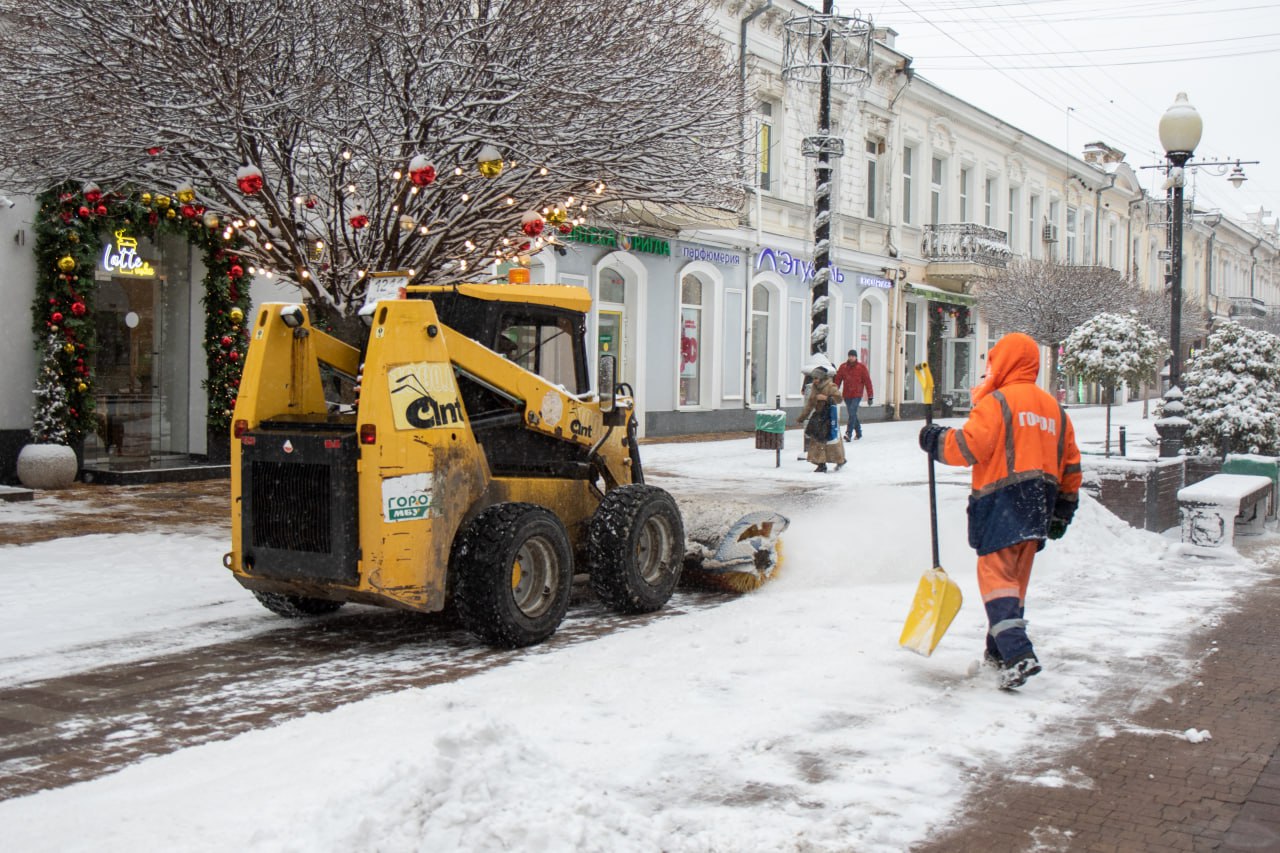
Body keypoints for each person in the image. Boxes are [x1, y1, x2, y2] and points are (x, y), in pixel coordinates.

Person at [917, 332, 1082, 690]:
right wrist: (1063, 510)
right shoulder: (1054, 408)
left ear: (1004, 362)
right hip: (1039, 505)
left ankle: (1019, 654)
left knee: (995, 580)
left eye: (992, 361)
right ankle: (999, 655)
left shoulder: (997, 402)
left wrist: (934, 440)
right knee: (1014, 584)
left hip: (1003, 501)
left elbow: (967, 448)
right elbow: (1071, 465)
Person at [797, 363, 847, 473]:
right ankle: (821, 464)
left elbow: (839, 399)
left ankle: (840, 460)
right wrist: (802, 417)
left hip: (829, 416)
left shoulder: (831, 386)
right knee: (816, 440)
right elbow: (810, 404)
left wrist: (826, 398)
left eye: (816, 378)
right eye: (813, 378)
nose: (814, 380)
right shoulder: (814, 388)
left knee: (831, 442)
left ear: (821, 378)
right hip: (819, 416)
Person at [834, 349, 873, 442]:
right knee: (853, 414)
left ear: (856, 357)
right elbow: (837, 380)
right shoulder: (843, 367)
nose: (851, 358)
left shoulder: (861, 368)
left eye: (853, 356)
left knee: (852, 412)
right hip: (847, 395)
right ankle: (859, 433)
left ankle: (848, 433)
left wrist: (870, 396)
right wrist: (834, 391)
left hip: (857, 394)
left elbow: (868, 382)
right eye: (850, 356)